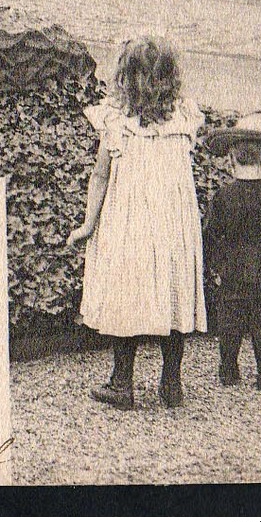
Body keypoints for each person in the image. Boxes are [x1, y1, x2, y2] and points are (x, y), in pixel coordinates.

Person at [68, 36, 206, 409]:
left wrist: (87, 224)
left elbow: (100, 176)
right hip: (174, 227)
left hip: (129, 225)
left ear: (124, 77)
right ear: (171, 77)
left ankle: (122, 383)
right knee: (173, 294)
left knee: (126, 295)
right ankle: (171, 383)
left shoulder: (116, 122)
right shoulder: (184, 118)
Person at [202, 113, 261, 391]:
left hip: (233, 268)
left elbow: (211, 235)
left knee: (229, 320)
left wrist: (213, 265)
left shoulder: (223, 196)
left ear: (231, 160)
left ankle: (228, 370)